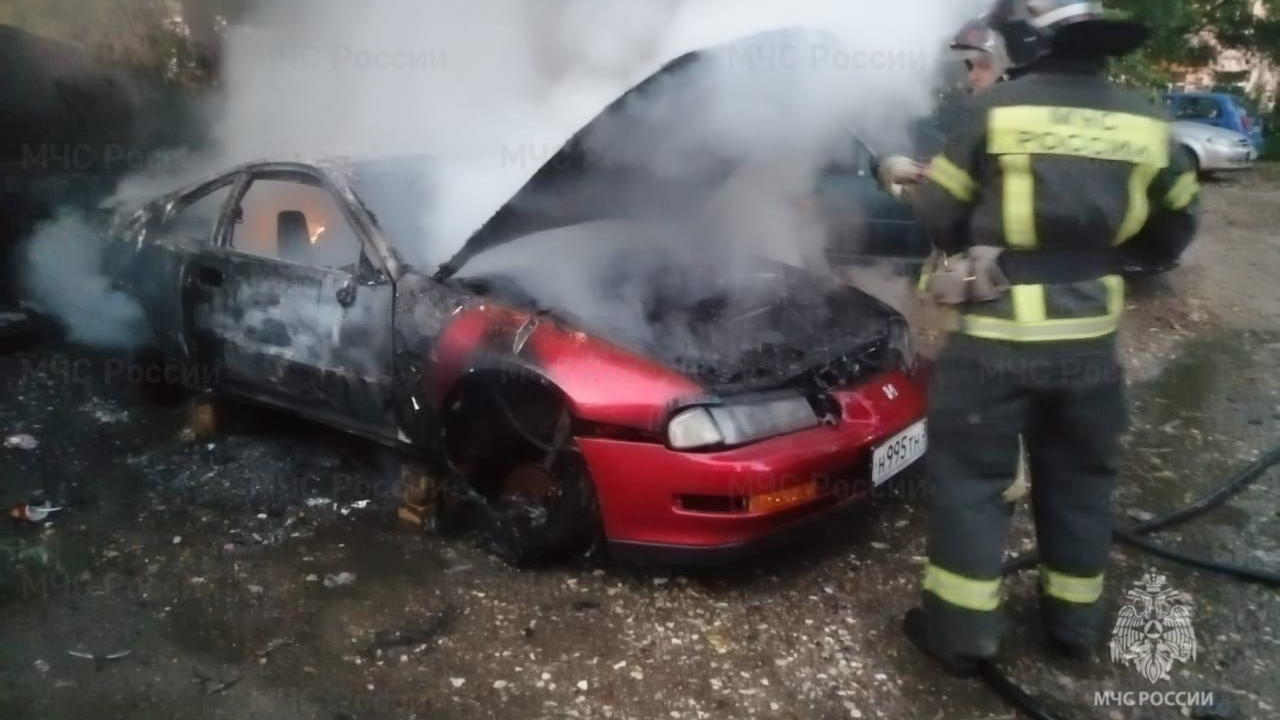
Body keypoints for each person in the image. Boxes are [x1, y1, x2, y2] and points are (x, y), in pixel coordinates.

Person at [902, 0, 1201, 675]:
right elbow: (1177, 224)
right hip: (1089, 343)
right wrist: (1100, 256)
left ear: (1031, 47)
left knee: (972, 481)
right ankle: (1073, 625)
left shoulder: (995, 111)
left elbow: (940, 215)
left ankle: (962, 637)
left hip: (994, 343)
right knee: (1080, 479)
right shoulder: (1146, 121)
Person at [875, 16, 1011, 191]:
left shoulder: (1002, 125)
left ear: (1008, 71)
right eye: (968, 67)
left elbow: (946, 197)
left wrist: (899, 187)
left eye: (984, 66)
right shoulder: (957, 123)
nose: (971, 77)